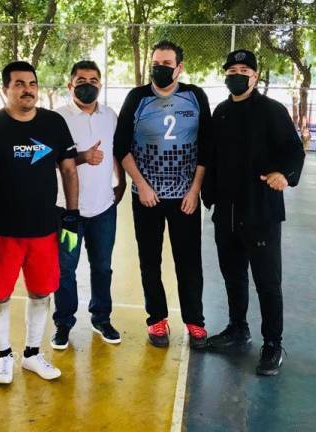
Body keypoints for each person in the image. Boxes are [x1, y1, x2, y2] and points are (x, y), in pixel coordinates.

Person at [0, 61, 79, 384]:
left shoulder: (53, 123)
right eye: (19, 84)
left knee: (41, 293)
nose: (27, 89)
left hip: (44, 230)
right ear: (5, 89)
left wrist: (72, 216)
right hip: (0, 231)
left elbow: (69, 170)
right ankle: (4, 357)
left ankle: (31, 354)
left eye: (32, 83)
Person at [202, 49, 305, 376]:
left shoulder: (272, 110)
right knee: (233, 275)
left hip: (261, 211)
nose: (237, 75)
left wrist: (284, 175)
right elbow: (212, 157)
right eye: (232, 70)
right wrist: (208, 196)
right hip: (226, 212)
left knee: (267, 282)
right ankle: (237, 328)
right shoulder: (221, 112)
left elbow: (294, 150)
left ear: (255, 76)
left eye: (244, 71)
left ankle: (273, 343)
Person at [113, 40, 211, 349]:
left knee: (189, 261)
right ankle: (156, 319)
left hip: (185, 197)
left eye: (167, 64)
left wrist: (195, 190)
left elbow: (207, 147)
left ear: (179, 68)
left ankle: (195, 321)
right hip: (147, 197)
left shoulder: (195, 96)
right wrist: (141, 185)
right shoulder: (137, 98)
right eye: (156, 64)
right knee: (149, 260)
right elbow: (121, 146)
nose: (160, 69)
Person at [51, 60, 126, 349]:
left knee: (103, 267)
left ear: (100, 84)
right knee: (65, 269)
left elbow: (116, 152)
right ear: (70, 85)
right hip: (67, 212)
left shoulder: (110, 116)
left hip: (103, 209)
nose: (88, 85)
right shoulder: (57, 118)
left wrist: (121, 181)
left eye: (93, 80)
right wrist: (82, 157)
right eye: (81, 80)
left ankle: (101, 318)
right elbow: (47, 159)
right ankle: (64, 323)